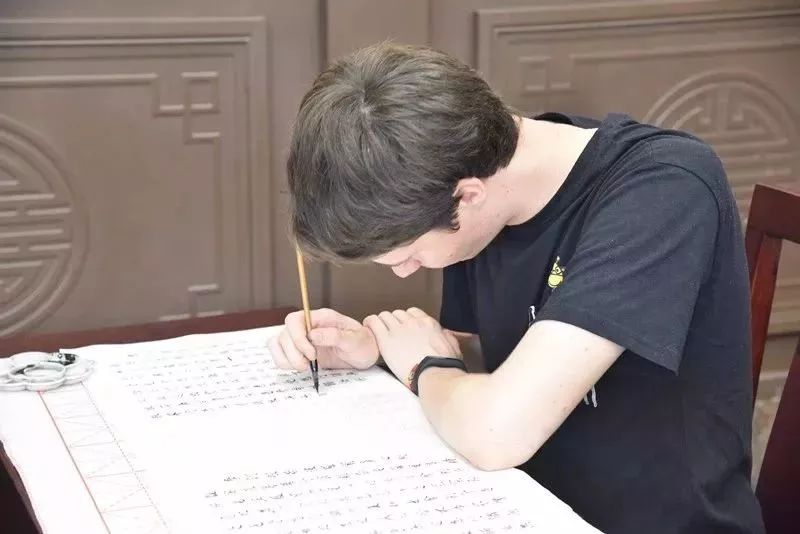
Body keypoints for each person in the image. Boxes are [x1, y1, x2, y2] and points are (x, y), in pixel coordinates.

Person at [268, 42, 765, 533]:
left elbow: (495, 433)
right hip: (524, 503)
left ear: (467, 197)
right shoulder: (467, 180)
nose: (404, 273)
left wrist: (423, 366)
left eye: (409, 255)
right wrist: (378, 350)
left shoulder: (662, 191)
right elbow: (485, 356)